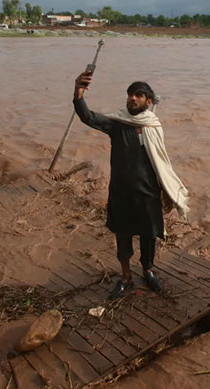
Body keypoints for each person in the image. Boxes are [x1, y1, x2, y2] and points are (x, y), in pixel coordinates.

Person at [73, 71, 189, 299]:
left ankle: (148, 271)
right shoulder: (117, 125)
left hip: (148, 193)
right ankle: (125, 277)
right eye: (130, 95)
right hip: (121, 192)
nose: (132, 98)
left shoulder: (154, 126)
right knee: (123, 236)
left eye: (138, 95)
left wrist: (166, 190)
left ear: (149, 101)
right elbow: (88, 117)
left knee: (149, 236)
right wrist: (78, 93)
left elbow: (161, 162)